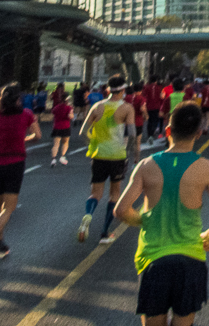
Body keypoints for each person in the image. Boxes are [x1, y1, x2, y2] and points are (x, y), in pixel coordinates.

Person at [115, 101, 209, 326]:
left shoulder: (146, 165)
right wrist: (208, 234)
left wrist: (144, 219)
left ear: (168, 131)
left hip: (153, 259)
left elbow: (121, 210)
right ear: (199, 134)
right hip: (191, 260)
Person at [0, 83, 41, 260]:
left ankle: (0, 243)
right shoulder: (27, 115)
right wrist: (23, 138)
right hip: (16, 162)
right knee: (9, 206)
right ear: (18, 99)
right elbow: (38, 136)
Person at [79, 74, 136, 245]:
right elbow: (132, 133)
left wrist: (94, 145)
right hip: (117, 155)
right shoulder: (127, 108)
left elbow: (82, 132)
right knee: (114, 194)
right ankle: (104, 232)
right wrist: (127, 149)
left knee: (95, 193)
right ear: (123, 89)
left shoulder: (97, 106)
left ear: (108, 89)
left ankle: (88, 215)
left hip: (99, 155)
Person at [50, 93, 73, 166]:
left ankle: (53, 159)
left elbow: (53, 114)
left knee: (56, 144)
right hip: (66, 127)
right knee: (65, 143)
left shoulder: (56, 107)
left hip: (56, 127)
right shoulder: (69, 108)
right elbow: (70, 116)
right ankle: (62, 157)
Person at [143, 77, 163, 145]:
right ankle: (152, 132)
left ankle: (149, 135)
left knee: (150, 121)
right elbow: (161, 97)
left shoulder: (146, 87)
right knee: (156, 120)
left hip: (149, 107)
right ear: (156, 80)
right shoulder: (159, 87)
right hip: (157, 106)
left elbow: (144, 96)